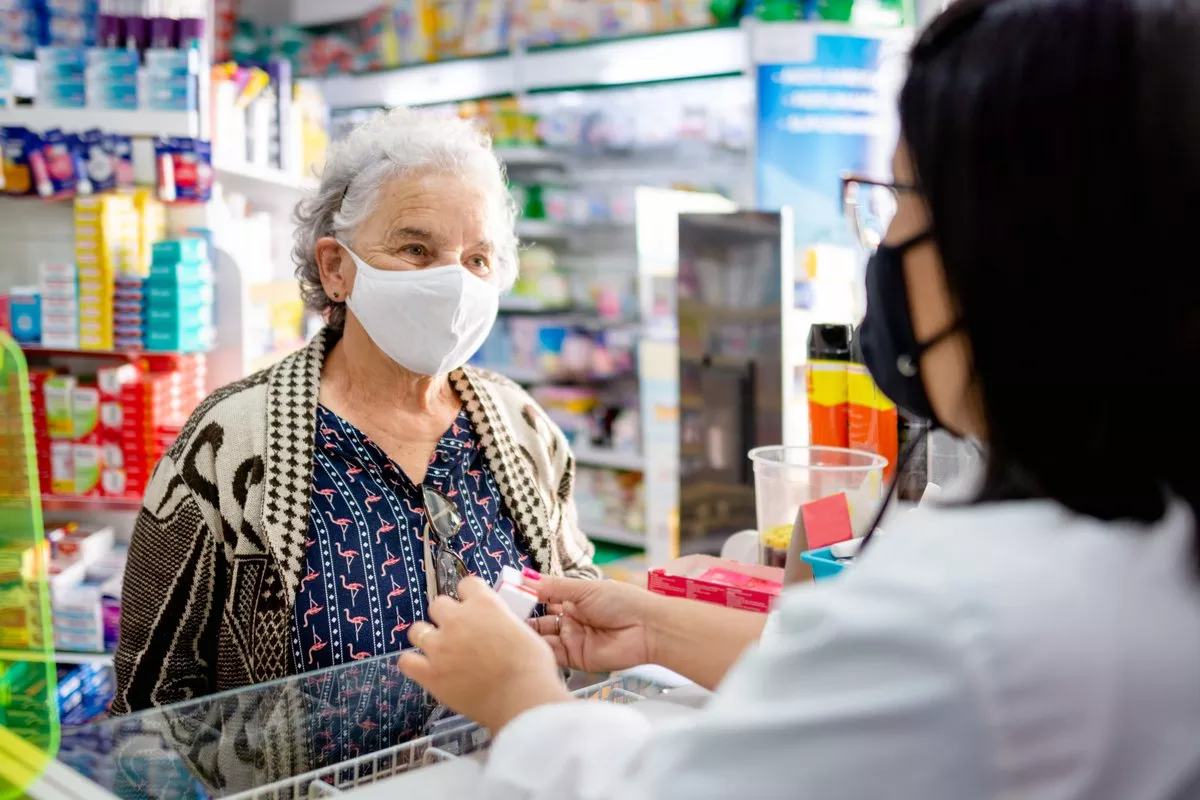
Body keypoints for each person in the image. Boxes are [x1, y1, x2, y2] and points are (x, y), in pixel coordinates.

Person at [395, 1, 1200, 797]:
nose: (882, 249)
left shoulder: (969, 609)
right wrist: (662, 627)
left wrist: (521, 702)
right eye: (414, 250)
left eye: (904, 200)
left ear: (1013, 252)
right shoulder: (1141, 540)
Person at [112, 109, 601, 714]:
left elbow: (576, 590)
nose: (453, 283)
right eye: (416, 248)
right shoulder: (227, 444)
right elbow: (150, 695)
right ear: (336, 268)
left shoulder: (523, 425)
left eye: (477, 259)